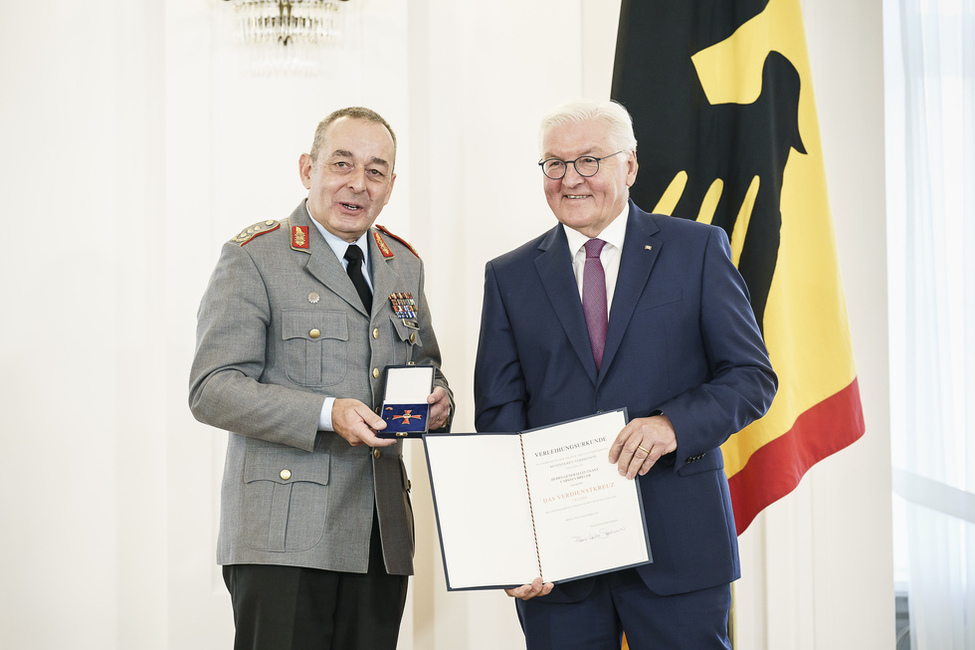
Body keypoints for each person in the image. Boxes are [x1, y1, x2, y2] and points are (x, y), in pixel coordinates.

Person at [473, 99, 777, 649]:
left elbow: (751, 377)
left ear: (630, 166)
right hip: (560, 568)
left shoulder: (696, 249)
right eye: (555, 164)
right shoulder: (508, 276)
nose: (571, 179)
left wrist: (672, 424)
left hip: (678, 549)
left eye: (589, 161)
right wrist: (516, 543)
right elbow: (500, 416)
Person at [189, 106, 453, 650]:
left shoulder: (403, 265)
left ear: (391, 185)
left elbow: (424, 363)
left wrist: (440, 401)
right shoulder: (255, 258)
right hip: (283, 539)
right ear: (307, 168)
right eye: (342, 164)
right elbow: (212, 388)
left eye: (376, 171)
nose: (358, 184)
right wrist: (326, 412)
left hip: (381, 536)